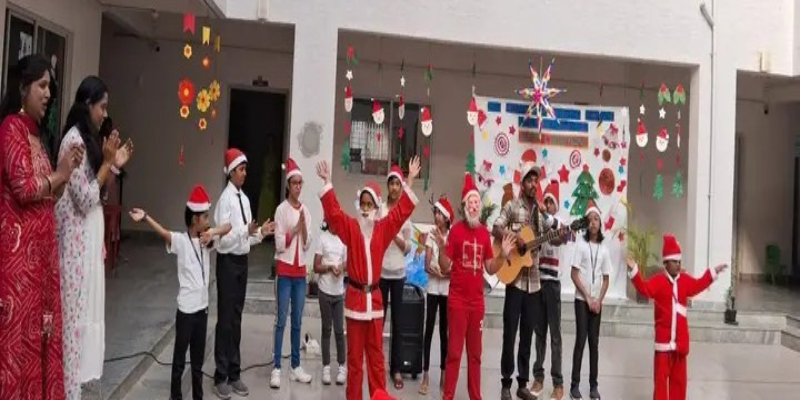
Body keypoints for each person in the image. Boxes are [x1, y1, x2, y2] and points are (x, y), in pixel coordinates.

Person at [0, 54, 83, 399]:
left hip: (41, 264)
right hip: (18, 266)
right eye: (42, 86)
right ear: (23, 88)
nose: (48, 94)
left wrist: (66, 171)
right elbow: (23, 188)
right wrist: (59, 174)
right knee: (17, 348)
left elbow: (48, 195)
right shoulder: (11, 128)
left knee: (40, 342)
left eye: (50, 87)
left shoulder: (37, 135)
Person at [316, 156, 421, 400]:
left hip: (374, 301)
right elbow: (334, 214)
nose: (365, 209)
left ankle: (379, 396)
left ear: (376, 207)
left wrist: (410, 182)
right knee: (355, 361)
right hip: (354, 302)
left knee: (376, 358)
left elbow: (401, 212)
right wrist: (328, 183)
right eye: (362, 204)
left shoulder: (383, 228)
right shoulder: (351, 228)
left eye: (369, 204)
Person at [55, 76, 134, 399]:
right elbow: (86, 199)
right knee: (72, 327)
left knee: (83, 323)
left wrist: (112, 167)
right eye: (102, 107)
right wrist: (108, 163)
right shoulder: (73, 142)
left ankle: (74, 390)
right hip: (74, 250)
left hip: (86, 248)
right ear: (87, 104)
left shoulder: (85, 140)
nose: (105, 114)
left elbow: (97, 193)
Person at [128, 185, 233, 400]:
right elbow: (164, 232)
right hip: (186, 312)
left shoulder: (207, 240)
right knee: (178, 361)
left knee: (197, 362)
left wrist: (212, 232)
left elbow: (228, 227)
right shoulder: (181, 241)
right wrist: (146, 217)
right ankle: (175, 397)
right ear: (194, 219)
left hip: (202, 310)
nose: (208, 220)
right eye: (205, 217)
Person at [439, 173, 515, 400]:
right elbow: (444, 266)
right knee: (454, 353)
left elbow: (490, 268)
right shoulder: (455, 231)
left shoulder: (483, 233)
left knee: (475, 355)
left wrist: (503, 255)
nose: (473, 206)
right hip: (457, 301)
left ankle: (475, 396)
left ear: (479, 207)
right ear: (464, 206)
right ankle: (448, 396)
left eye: (476, 203)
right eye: (470, 203)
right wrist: (442, 249)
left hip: (476, 303)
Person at [626, 235, 728, 400]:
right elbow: (644, 289)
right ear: (666, 263)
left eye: (679, 261)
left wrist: (713, 273)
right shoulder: (658, 281)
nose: (678, 265)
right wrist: (634, 271)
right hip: (663, 345)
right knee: (661, 383)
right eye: (675, 261)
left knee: (679, 384)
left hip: (680, 345)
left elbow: (699, 284)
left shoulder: (685, 281)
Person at [493, 163, 561, 400]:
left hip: (534, 284)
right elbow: (496, 228)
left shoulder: (540, 214)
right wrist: (516, 238)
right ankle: (506, 383)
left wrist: (562, 234)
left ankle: (522, 384)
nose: (534, 184)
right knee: (510, 333)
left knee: (527, 335)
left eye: (536, 181)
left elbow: (553, 239)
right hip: (514, 282)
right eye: (530, 180)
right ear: (522, 184)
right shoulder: (512, 206)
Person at [213, 148, 274, 399]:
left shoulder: (245, 200)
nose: (245, 173)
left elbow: (247, 238)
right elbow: (222, 240)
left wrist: (261, 233)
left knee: (237, 319)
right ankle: (220, 376)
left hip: (242, 262)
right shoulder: (225, 200)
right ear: (231, 172)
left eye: (246, 169)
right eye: (241, 169)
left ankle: (234, 373)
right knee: (225, 319)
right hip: (227, 263)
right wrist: (244, 231)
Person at [270, 158, 314, 388]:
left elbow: (307, 244)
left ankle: (296, 366)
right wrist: (294, 230)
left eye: (300, 183)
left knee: (297, 321)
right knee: (281, 320)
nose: (297, 187)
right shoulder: (281, 210)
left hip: (300, 273)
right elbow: (278, 244)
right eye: (294, 183)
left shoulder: (306, 210)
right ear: (288, 185)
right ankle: (277, 367)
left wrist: (303, 229)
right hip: (285, 271)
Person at [569, 200, 610, 400]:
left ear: (600, 224)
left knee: (594, 343)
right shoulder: (581, 245)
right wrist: (587, 297)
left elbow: (606, 278)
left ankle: (594, 386)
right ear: (586, 223)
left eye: (596, 219)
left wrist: (599, 300)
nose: (593, 223)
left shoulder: (604, 249)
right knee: (581, 341)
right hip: (581, 300)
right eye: (590, 219)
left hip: (596, 303)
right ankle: (574, 385)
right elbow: (574, 274)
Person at [532, 180, 567, 400]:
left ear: (556, 205)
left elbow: (561, 238)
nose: (547, 204)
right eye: (545, 201)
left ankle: (558, 383)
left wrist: (545, 216)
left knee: (555, 336)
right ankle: (538, 378)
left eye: (551, 201)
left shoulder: (560, 223)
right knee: (539, 334)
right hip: (537, 282)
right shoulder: (537, 224)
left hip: (553, 285)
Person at [380, 165, 413, 390]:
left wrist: (396, 237)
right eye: (391, 183)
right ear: (387, 187)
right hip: (381, 273)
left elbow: (408, 248)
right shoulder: (380, 210)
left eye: (397, 184)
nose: (394, 187)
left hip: (399, 273)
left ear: (401, 188)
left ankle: (396, 369)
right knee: (378, 321)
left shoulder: (405, 214)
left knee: (398, 324)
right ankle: (377, 364)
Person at [419, 195, 454, 396]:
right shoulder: (431, 235)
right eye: (435, 213)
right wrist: (435, 271)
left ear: (447, 218)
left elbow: (453, 267)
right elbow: (426, 264)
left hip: (447, 290)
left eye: (440, 214)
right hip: (433, 288)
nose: (437, 217)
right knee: (429, 330)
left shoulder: (452, 237)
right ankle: (425, 376)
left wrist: (446, 274)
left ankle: (443, 375)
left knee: (444, 333)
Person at [313, 220, 347, 386]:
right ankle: (326, 366)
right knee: (326, 329)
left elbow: (348, 263)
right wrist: (329, 268)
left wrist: (341, 267)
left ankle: (341, 366)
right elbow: (316, 266)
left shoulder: (344, 239)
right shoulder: (323, 238)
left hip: (339, 292)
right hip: (325, 290)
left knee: (339, 330)